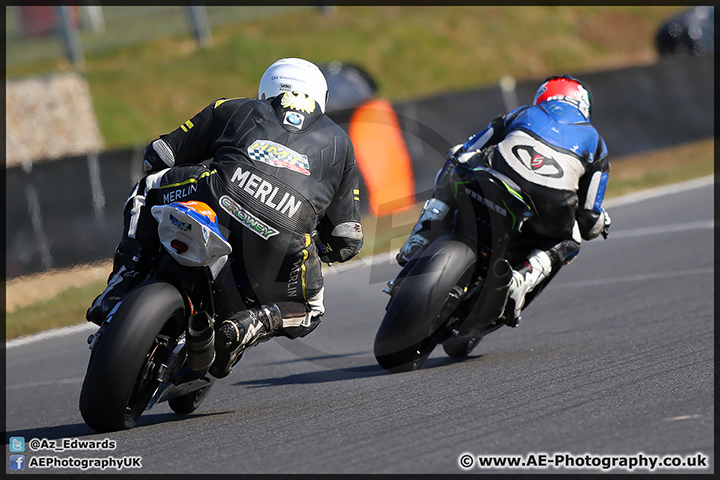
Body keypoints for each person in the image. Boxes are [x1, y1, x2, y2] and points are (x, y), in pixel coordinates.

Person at [86, 58, 364, 377]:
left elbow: (160, 154)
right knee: (309, 310)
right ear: (320, 98)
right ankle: (250, 323)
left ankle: (124, 280)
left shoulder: (234, 107)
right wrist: (322, 248)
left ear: (266, 89)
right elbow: (346, 237)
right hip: (285, 236)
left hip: (219, 198)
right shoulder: (342, 143)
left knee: (147, 188)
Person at [397, 75, 611, 325]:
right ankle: (523, 279)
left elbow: (469, 147)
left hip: (496, 178)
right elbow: (589, 217)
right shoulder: (596, 143)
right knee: (571, 238)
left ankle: (424, 230)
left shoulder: (523, 112)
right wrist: (599, 223)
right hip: (549, 205)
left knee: (456, 157)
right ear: (584, 106)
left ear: (543, 95)